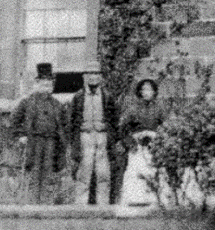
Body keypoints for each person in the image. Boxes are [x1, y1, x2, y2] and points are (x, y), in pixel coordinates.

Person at [10, 62, 71, 204]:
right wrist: (20, 136)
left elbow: (65, 125)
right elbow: (14, 121)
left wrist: (63, 142)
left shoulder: (57, 104)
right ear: (37, 84)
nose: (47, 87)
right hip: (34, 142)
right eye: (44, 84)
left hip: (51, 143)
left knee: (48, 174)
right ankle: (32, 205)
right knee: (35, 173)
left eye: (50, 84)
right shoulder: (27, 102)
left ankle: (45, 205)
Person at [116, 78, 168, 207]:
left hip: (154, 147)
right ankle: (135, 201)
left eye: (149, 89)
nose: (146, 92)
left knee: (153, 172)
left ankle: (154, 201)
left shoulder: (160, 109)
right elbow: (121, 127)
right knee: (136, 172)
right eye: (143, 89)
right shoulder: (132, 109)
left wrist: (154, 135)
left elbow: (168, 127)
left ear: (154, 92)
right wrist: (132, 139)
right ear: (139, 92)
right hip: (137, 148)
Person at [67, 68, 113, 204]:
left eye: (96, 73)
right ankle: (81, 207)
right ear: (84, 76)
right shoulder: (78, 97)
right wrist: (74, 142)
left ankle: (103, 206)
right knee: (84, 173)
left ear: (101, 77)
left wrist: (110, 136)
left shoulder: (107, 96)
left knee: (103, 173)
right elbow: (72, 121)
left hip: (102, 138)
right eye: (90, 74)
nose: (93, 77)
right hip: (85, 137)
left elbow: (113, 120)